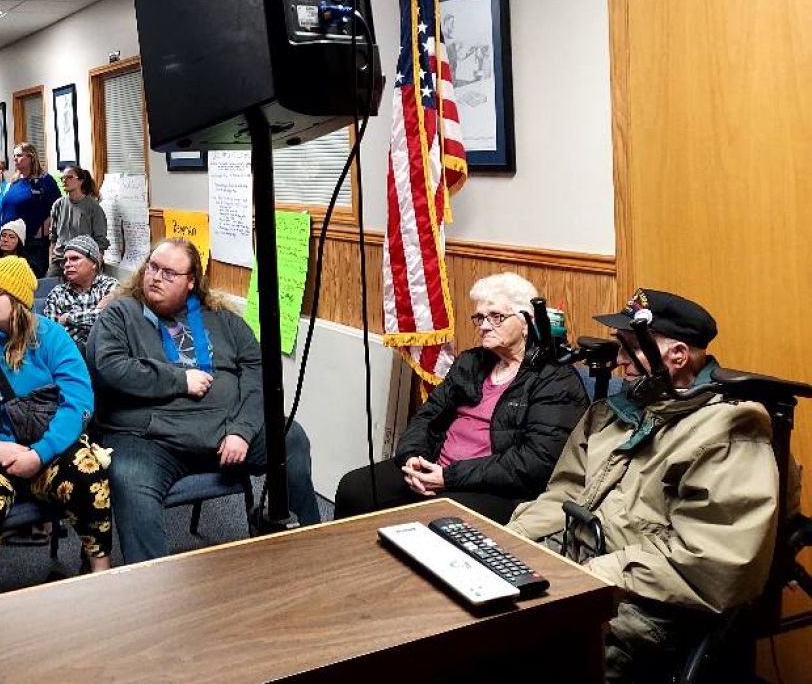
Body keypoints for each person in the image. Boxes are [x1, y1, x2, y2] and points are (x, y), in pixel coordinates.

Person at [509, 289, 779, 683]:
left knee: (527, 656)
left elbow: (713, 561)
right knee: (478, 623)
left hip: (645, 602)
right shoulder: (612, 413)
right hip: (580, 570)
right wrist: (510, 543)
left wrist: (591, 577)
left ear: (678, 356)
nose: (619, 361)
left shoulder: (729, 431)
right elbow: (564, 493)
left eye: (631, 347)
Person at [87, 238, 322, 564]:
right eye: (152, 267)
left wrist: (242, 429)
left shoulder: (221, 318)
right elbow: (109, 368)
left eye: (169, 273)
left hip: (225, 433)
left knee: (289, 436)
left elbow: (259, 371)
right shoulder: (119, 314)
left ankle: (311, 548)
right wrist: (179, 380)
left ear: (191, 281)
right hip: (152, 439)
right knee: (128, 478)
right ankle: (150, 588)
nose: (155, 277)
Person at [333, 272, 589, 523]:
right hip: (437, 467)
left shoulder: (554, 379)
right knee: (355, 489)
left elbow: (535, 463)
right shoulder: (471, 362)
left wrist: (449, 477)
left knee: (434, 518)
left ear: (526, 322)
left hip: (495, 489)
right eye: (480, 318)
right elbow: (427, 416)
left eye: (497, 317)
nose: (485, 326)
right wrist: (412, 458)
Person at [0, 256, 112, 598]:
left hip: (44, 447)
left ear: (19, 302)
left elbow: (79, 401)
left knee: (89, 473)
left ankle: (99, 572)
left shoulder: (50, 337)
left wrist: (40, 453)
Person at [42, 236, 117, 355]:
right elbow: (52, 337)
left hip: (104, 357)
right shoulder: (57, 293)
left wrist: (68, 318)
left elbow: (112, 323)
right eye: (65, 260)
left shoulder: (110, 286)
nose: (67, 264)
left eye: (74, 259)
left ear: (94, 262)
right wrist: (96, 313)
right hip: (69, 357)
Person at [0, 142, 59, 276]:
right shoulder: (14, 181)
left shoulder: (45, 181)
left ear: (31, 157)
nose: (15, 159)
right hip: (12, 241)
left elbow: (56, 210)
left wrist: (41, 231)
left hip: (33, 242)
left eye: (19, 155)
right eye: (14, 156)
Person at [46, 166, 108, 279]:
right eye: (63, 178)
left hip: (83, 261)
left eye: (69, 177)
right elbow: (53, 237)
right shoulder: (58, 205)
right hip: (60, 260)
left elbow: (100, 242)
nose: (65, 181)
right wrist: (51, 261)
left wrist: (95, 267)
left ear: (80, 181)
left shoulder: (93, 207)